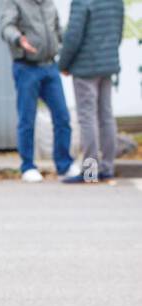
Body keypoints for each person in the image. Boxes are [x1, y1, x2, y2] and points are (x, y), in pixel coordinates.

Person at [1, 0, 74, 181]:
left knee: (62, 117)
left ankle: (64, 165)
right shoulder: (15, 3)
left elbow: (58, 31)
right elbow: (6, 27)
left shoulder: (49, 4)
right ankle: (28, 166)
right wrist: (18, 39)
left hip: (50, 66)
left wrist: (71, 49)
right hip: (26, 67)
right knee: (27, 118)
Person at [59, 0, 125, 183]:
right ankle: (107, 167)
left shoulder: (82, 1)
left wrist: (63, 64)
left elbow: (73, 36)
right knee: (106, 116)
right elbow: (118, 31)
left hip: (85, 67)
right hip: (107, 64)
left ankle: (90, 172)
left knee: (87, 118)